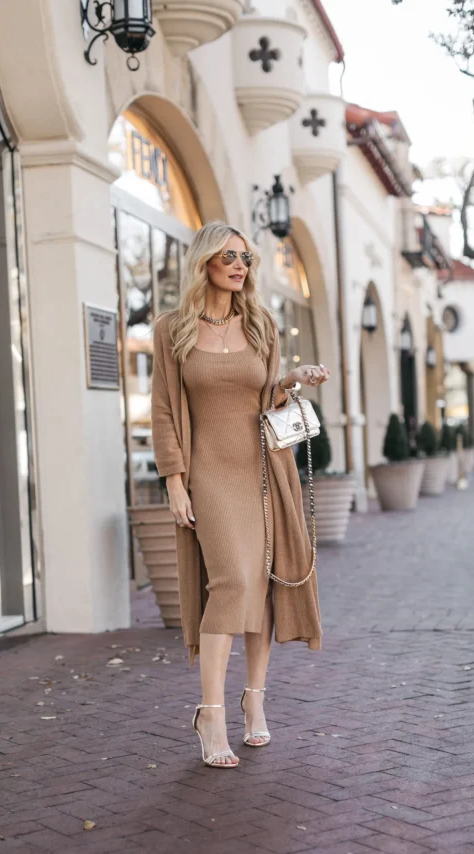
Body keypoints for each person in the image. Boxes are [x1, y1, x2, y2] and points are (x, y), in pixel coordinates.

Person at [151, 221, 327, 768]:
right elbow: (162, 409)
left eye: (246, 258)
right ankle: (211, 713)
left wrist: (292, 377)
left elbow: (265, 396)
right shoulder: (171, 329)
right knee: (230, 582)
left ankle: (254, 702)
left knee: (262, 583)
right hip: (209, 472)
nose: (239, 266)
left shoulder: (261, 324)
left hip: (263, 469)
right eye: (229, 255)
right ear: (204, 260)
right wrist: (175, 481)